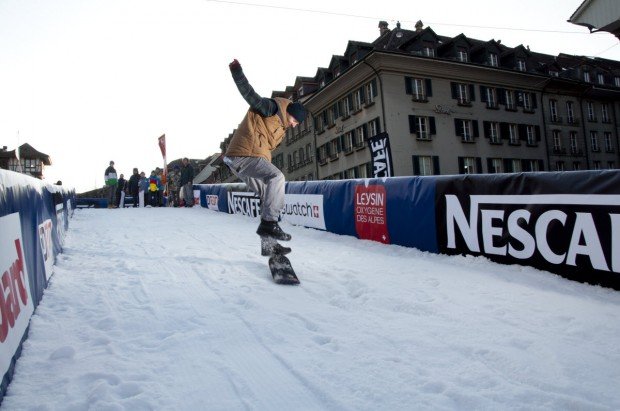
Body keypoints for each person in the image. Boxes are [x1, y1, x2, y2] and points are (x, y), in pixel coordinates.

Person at [224, 59, 306, 241]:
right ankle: (269, 224)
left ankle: (270, 245)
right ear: (290, 113)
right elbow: (250, 96)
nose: (293, 126)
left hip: (240, 160)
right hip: (244, 155)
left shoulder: (281, 127)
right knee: (277, 177)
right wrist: (237, 73)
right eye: (294, 121)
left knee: (267, 195)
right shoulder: (271, 109)